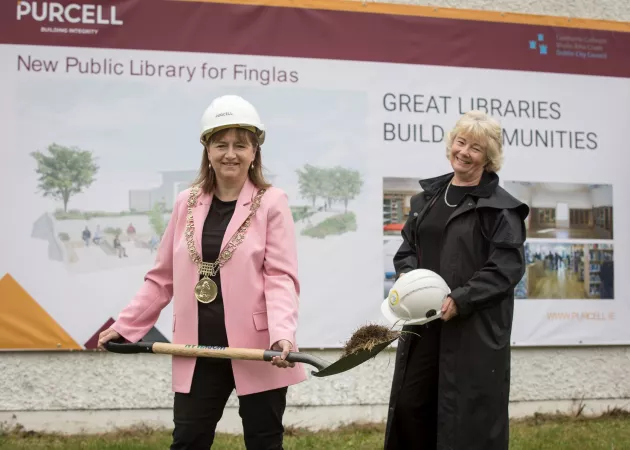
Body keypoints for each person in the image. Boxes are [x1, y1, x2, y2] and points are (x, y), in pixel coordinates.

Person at [97, 94, 307, 449]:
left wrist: (282, 335)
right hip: (198, 349)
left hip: (258, 348)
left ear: (254, 152)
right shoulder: (186, 202)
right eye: (221, 144)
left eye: (241, 145)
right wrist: (126, 326)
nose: (230, 153)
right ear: (207, 150)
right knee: (188, 441)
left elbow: (279, 277)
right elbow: (162, 278)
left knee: (264, 442)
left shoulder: (272, 202)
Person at [383, 110, 530, 450]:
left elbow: (506, 267)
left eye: (475, 148)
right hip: (424, 324)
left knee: (464, 419)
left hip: (472, 329)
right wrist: (408, 279)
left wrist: (462, 299)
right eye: (460, 142)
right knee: (410, 405)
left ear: (488, 158)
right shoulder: (427, 200)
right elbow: (408, 249)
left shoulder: (501, 209)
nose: (464, 152)